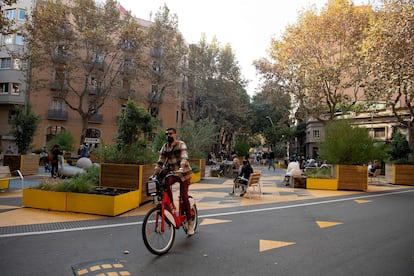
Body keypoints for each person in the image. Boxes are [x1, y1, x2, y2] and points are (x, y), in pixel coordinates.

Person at [153, 128, 195, 236]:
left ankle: (190, 224)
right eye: (166, 134)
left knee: (184, 197)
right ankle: (171, 205)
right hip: (174, 173)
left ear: (175, 134)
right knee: (164, 183)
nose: (168, 135)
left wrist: (181, 167)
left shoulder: (181, 144)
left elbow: (184, 157)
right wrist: (154, 173)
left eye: (170, 133)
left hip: (184, 173)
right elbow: (160, 162)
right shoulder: (165, 147)